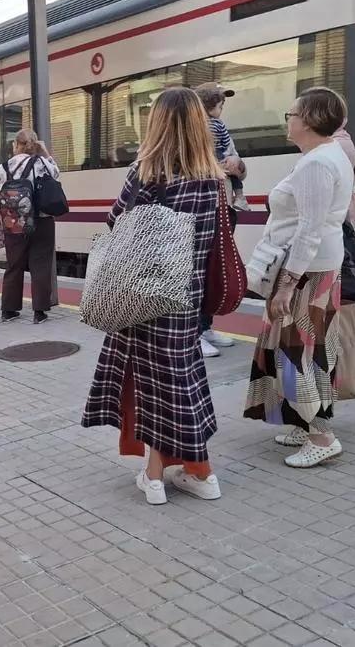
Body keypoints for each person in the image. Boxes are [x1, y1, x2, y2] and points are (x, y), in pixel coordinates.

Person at [80, 87, 225, 505]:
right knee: (179, 381)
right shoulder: (212, 180)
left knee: (148, 384)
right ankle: (196, 473)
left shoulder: (146, 173)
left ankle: (157, 477)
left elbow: (115, 223)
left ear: (157, 124)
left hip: (142, 296)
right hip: (185, 299)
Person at [244, 87, 355, 468]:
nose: (287, 120)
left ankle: (322, 437)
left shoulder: (316, 164)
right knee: (308, 348)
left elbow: (308, 229)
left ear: (308, 120)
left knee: (299, 350)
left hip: (305, 271)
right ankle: (304, 423)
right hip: (315, 266)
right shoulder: (324, 156)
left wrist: (287, 284)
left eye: (291, 113)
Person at [194, 83, 246, 357]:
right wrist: (215, 167)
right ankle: (195, 333)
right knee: (199, 271)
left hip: (224, 205)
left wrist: (237, 165)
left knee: (215, 269)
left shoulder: (219, 127)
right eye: (219, 102)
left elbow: (237, 162)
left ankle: (207, 327)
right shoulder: (192, 129)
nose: (221, 107)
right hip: (205, 207)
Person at [0, 128, 59, 325]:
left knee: (14, 265)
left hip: (12, 222)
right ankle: (39, 312)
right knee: (41, 264)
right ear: (35, 145)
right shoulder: (41, 163)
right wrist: (45, 153)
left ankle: (9, 310)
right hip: (41, 220)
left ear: (15, 145)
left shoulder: (3, 168)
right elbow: (56, 174)